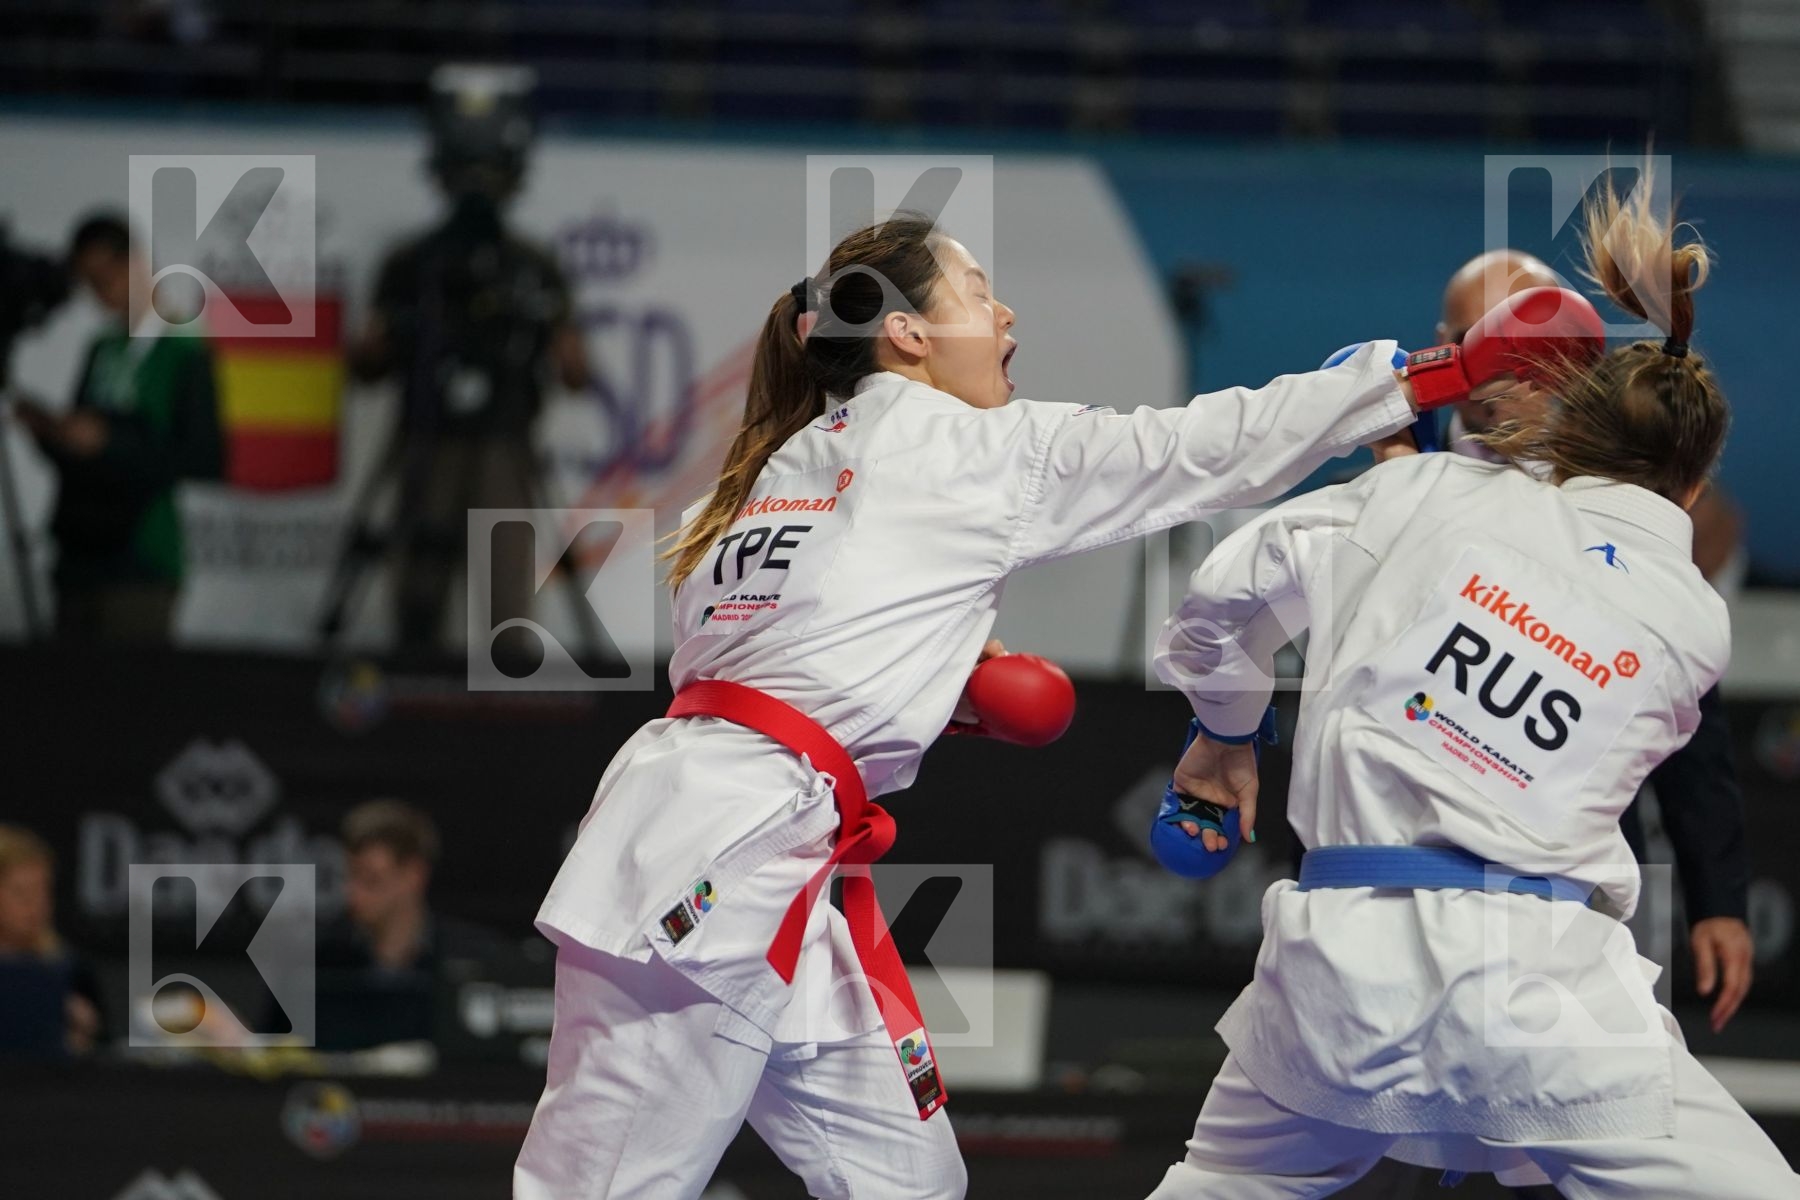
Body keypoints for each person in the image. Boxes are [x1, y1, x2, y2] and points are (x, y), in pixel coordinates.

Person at [506, 206, 1528, 1199]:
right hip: (723, 861)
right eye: (980, 296)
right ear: (908, 334)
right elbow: (1212, 444)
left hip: (744, 837)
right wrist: (1435, 374)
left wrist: (937, 687)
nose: (1007, 320)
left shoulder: (772, 471)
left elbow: (766, 664)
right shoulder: (966, 449)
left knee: (905, 1179)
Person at [1147, 172, 1798, 1196]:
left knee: (1218, 1182)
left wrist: (1226, 733)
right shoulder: (1693, 622)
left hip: (1334, 971)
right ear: (1696, 483)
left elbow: (1217, 602)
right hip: (1544, 993)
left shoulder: (1410, 490)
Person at [1438, 249, 1754, 1037]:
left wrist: (1717, 899)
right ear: (1446, 341)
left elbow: (1684, 707)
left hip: (1583, 865)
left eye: (1534, 348)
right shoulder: (1385, 453)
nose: (1510, 369)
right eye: (1488, 340)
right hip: (1413, 856)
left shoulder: (1623, 484)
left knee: (1609, 1100)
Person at [12, 213, 223, 643]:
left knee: (127, 698)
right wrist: (48, 432)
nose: (98, 291)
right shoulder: (102, 347)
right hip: (79, 552)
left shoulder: (184, 349)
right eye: (88, 281)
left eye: (104, 275)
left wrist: (110, 443)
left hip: (141, 558)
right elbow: (80, 450)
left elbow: (204, 456)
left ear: (137, 262)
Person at [314, 799, 503, 1049]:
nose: (353, 894)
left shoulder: (475, 960)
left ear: (414, 875)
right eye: (350, 876)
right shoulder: (322, 961)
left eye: (371, 879)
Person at [0, 825, 105, 1057]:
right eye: (21, 893)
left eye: (43, 891)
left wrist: (80, 1040)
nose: (36, 905)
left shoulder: (70, 970)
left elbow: (104, 1052)